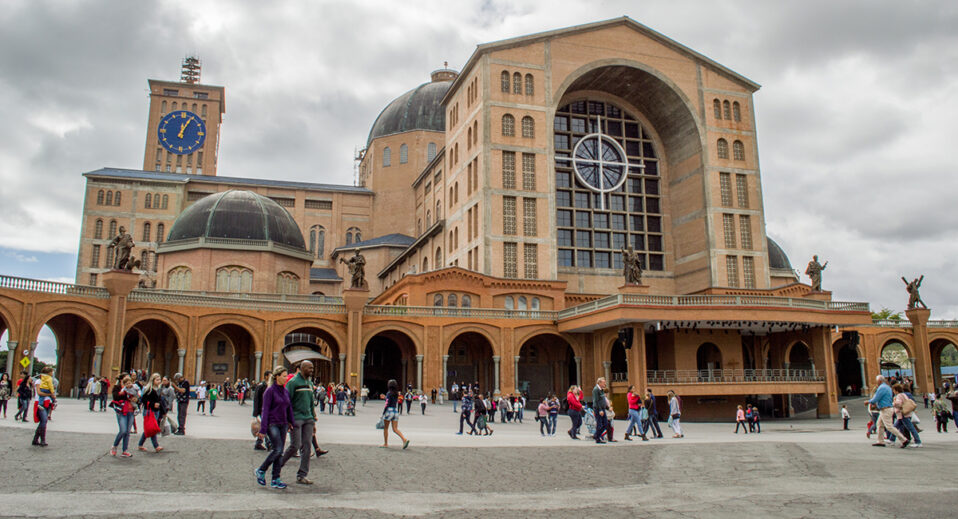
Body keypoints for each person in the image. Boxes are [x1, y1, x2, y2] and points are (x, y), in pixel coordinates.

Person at [256, 366, 294, 489]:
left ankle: (275, 479)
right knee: (277, 449)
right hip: (272, 424)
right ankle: (261, 470)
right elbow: (265, 410)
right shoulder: (269, 391)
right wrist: (263, 429)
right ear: (277, 377)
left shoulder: (285, 391)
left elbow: (289, 408)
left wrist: (291, 422)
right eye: (284, 376)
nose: (286, 378)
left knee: (280, 452)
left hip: (283, 424)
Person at [280, 360, 317, 484]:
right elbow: (286, 401)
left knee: (307, 446)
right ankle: (278, 466)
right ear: (302, 368)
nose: (311, 370)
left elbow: (311, 402)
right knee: (295, 445)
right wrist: (288, 419)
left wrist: (313, 418)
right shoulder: (293, 382)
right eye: (309, 368)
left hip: (308, 418)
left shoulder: (309, 383)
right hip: (296, 418)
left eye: (312, 368)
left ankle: (302, 474)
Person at [868, 375, 909, 447]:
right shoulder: (887, 387)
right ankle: (880, 441)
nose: (876, 382)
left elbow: (876, 398)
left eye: (877, 381)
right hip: (885, 409)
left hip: (885, 409)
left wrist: (869, 402)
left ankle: (904, 439)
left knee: (889, 426)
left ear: (879, 381)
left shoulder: (882, 388)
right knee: (879, 425)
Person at [137, 373, 165, 452]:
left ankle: (140, 444)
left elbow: (160, 401)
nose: (159, 381)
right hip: (149, 411)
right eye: (157, 380)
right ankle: (156, 446)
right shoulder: (148, 389)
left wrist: (163, 411)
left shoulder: (158, 389)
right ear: (152, 380)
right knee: (152, 428)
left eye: (159, 380)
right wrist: (153, 404)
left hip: (156, 411)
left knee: (149, 428)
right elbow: (143, 400)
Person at [110, 374, 136, 457]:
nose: (128, 379)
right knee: (123, 430)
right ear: (121, 380)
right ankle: (114, 446)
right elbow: (115, 397)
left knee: (127, 432)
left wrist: (136, 399)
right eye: (126, 378)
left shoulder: (133, 388)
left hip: (131, 411)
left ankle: (125, 450)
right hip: (122, 411)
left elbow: (137, 397)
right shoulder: (117, 387)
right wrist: (126, 395)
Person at [381, 379, 410, 448]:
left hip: (389, 411)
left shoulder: (389, 393)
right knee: (395, 429)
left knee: (386, 428)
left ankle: (385, 443)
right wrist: (385, 398)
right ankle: (404, 439)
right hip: (395, 411)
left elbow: (387, 403)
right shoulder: (396, 394)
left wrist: (383, 413)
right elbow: (391, 401)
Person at [32, 367, 57, 447]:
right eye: (51, 372)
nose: (52, 373)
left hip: (47, 403)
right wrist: (50, 394)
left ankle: (35, 439)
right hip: (40, 403)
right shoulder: (38, 381)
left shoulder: (49, 380)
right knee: (44, 420)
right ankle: (42, 440)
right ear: (47, 372)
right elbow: (39, 393)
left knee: (43, 421)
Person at [893, 383, 921, 447]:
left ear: (896, 390)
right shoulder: (904, 394)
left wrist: (894, 403)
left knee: (910, 428)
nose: (893, 391)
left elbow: (899, 403)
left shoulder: (899, 396)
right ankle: (891, 439)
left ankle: (918, 441)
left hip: (903, 414)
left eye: (894, 390)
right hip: (905, 414)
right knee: (895, 427)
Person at [252, 371, 271, 451]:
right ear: (266, 376)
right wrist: (256, 413)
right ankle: (268, 443)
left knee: (264, 427)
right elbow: (256, 400)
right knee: (265, 427)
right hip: (261, 410)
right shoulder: (260, 386)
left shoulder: (270, 386)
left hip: (268, 410)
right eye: (270, 376)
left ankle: (259, 443)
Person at [592, 377, 609, 444]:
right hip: (598, 409)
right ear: (599, 383)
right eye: (603, 383)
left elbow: (602, 400)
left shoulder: (601, 390)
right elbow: (596, 400)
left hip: (603, 409)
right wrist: (600, 410)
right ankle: (597, 438)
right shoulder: (596, 390)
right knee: (599, 424)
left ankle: (596, 435)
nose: (605, 384)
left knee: (605, 424)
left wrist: (607, 408)